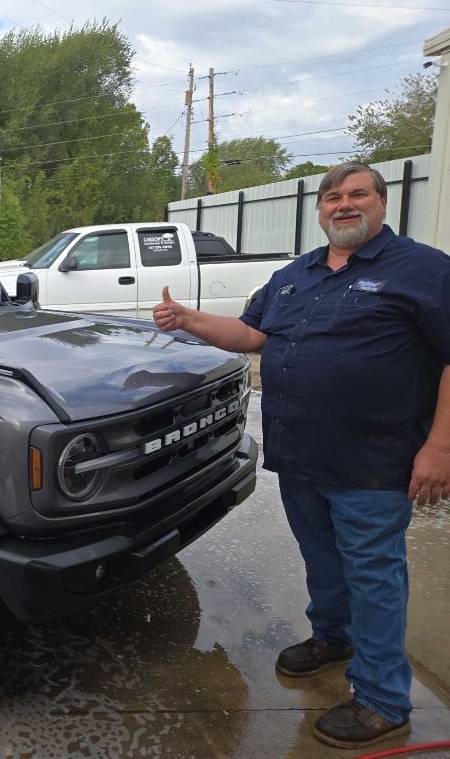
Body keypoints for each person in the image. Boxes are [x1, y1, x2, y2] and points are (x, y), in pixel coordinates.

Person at [153, 161, 450, 750]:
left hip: (375, 462)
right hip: (301, 455)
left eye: (357, 194)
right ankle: (332, 637)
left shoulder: (424, 270)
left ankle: (384, 699)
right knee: (322, 557)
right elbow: (253, 335)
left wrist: (439, 448)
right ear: (320, 210)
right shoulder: (298, 274)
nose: (344, 204)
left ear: (382, 203)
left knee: (374, 573)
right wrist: (189, 321)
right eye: (332, 197)